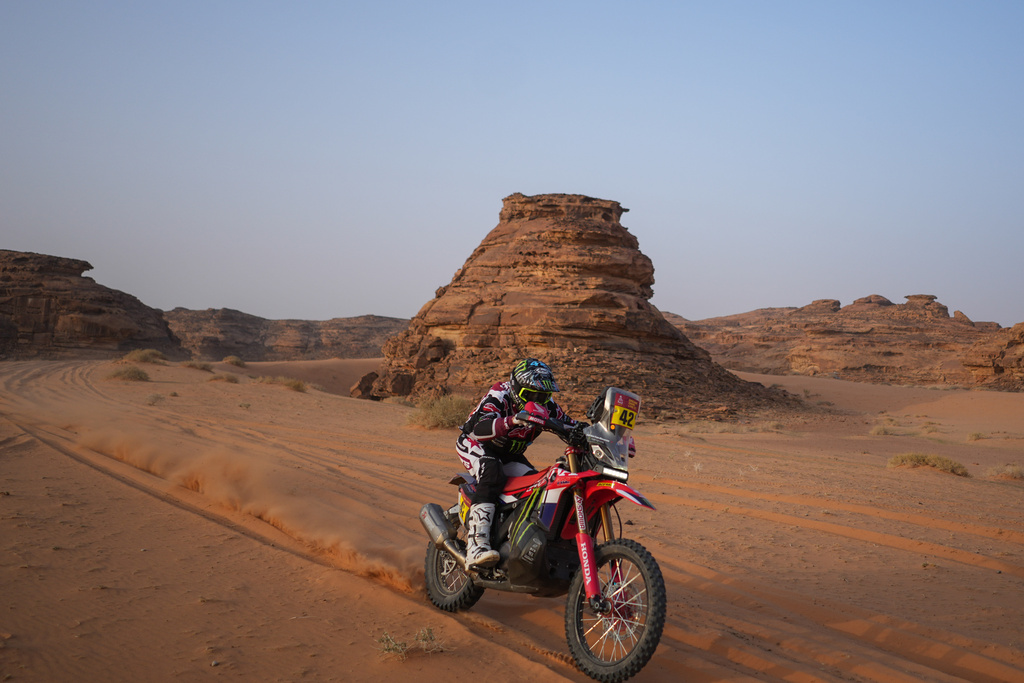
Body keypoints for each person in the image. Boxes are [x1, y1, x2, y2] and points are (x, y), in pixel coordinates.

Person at [456, 358, 577, 569]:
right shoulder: (499, 394)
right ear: (517, 388)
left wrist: (597, 434)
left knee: (537, 486)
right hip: (477, 443)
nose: (538, 400)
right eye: (531, 394)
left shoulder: (548, 406)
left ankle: (514, 539)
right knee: (491, 472)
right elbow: (479, 429)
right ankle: (477, 546)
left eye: (543, 395)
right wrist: (514, 420)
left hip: (510, 454)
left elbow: (571, 425)